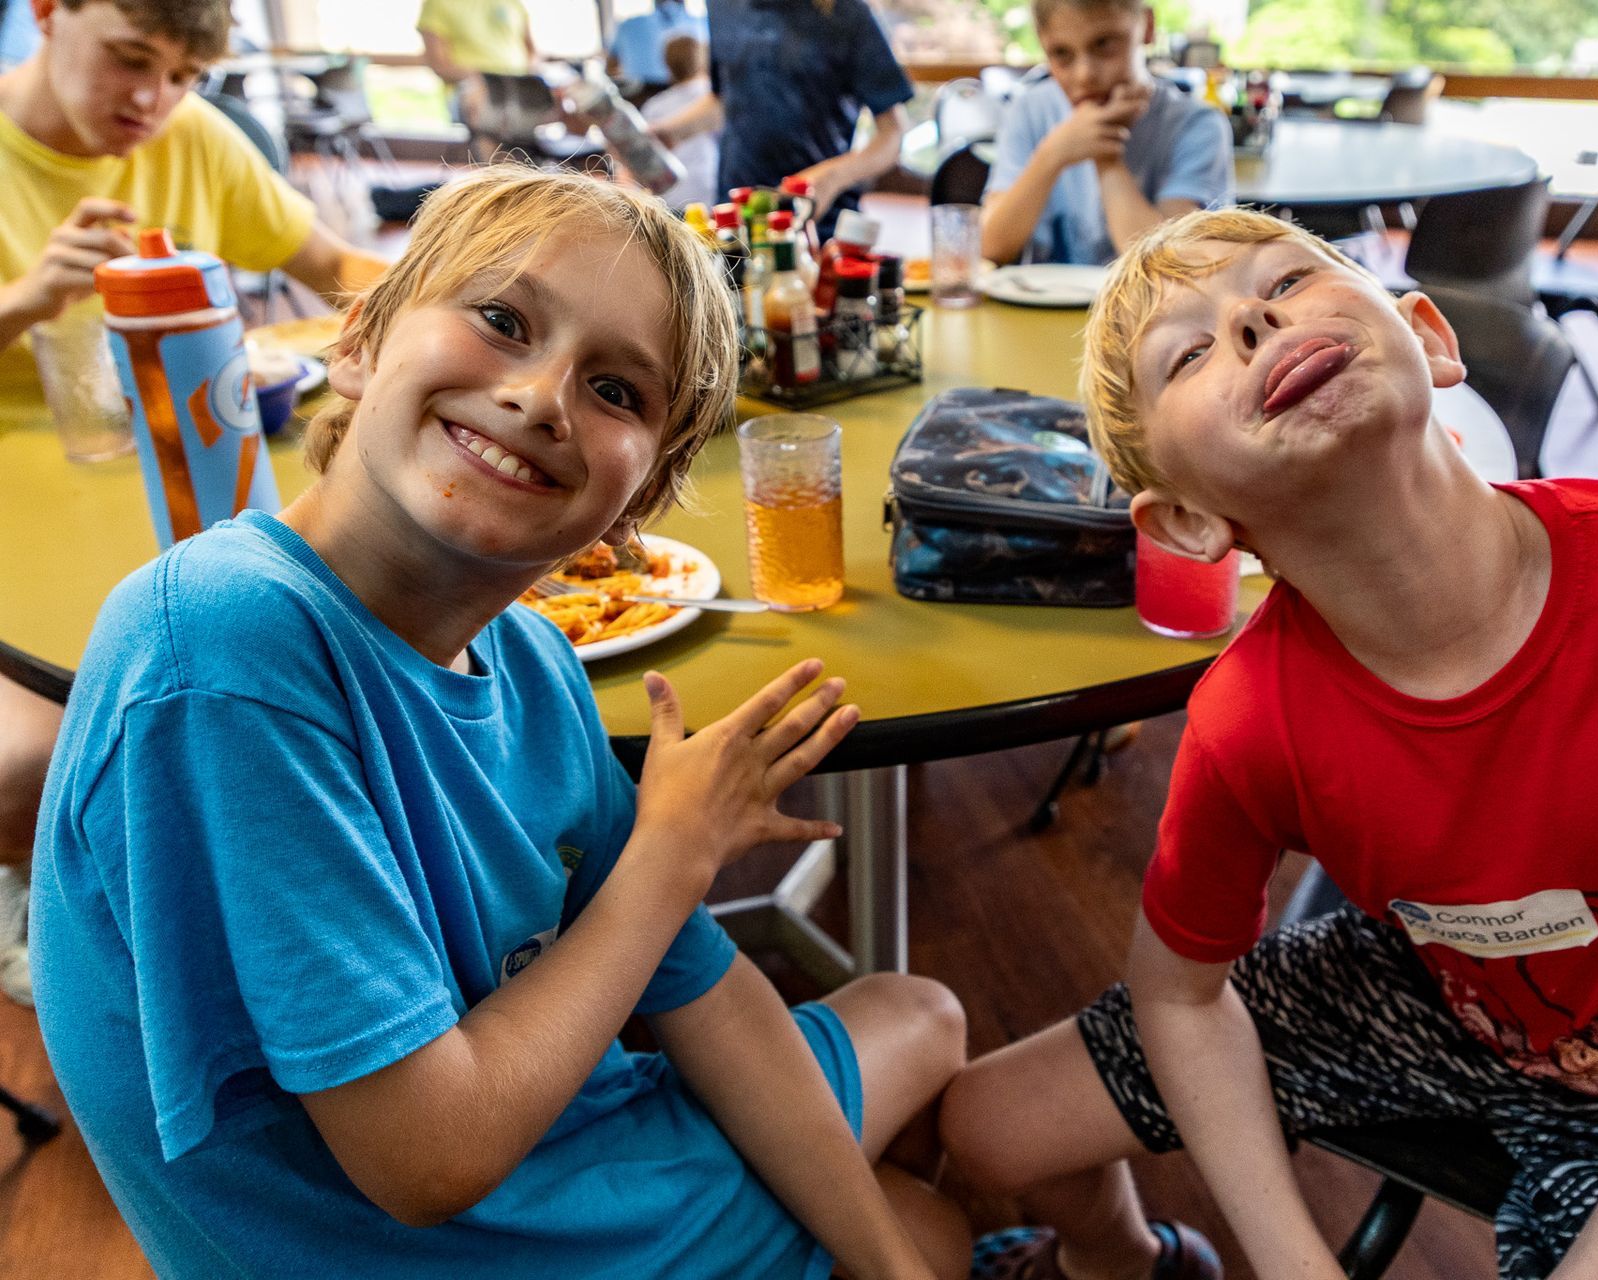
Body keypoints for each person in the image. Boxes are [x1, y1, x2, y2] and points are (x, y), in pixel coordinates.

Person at [31, 166, 972, 1279]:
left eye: (619, 390)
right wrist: (672, 853)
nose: (541, 395)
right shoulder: (225, 648)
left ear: (636, 503)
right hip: (443, 1234)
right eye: (502, 320)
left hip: (564, 1157)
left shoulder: (532, 658)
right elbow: (426, 1160)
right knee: (930, 1210)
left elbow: (699, 986)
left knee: (922, 1029)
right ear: (362, 341)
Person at [939, 206, 1598, 1280]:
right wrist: (1298, 1261)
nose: (1254, 318)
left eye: (1287, 281)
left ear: (1430, 338)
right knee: (985, 1120)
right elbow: (1175, 991)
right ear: (1187, 525)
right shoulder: (1250, 717)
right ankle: (1129, 1258)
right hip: (1442, 991)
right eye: (1192, 351)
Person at [0, 0, 385, 1004]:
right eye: (130, 58)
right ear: (47, 12)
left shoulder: (194, 139)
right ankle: (46, 883)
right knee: (30, 760)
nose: (152, 99)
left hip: (176, 498)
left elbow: (337, 268)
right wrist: (28, 299)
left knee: (319, 671)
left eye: (182, 75)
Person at [980, 0, 1231, 267]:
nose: (1085, 75)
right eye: (1062, 53)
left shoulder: (1198, 125)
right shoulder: (1029, 110)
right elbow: (989, 247)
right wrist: (1052, 154)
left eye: (1104, 44)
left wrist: (1105, 155)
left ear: (1147, 27)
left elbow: (1168, 267)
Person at [647, 0, 913, 237]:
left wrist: (832, 178)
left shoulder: (848, 13)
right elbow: (726, 99)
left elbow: (893, 132)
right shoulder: (721, 6)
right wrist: (669, 133)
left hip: (816, 223)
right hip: (736, 217)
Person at [417, 0, 535, 155]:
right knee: (482, 102)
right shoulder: (438, 3)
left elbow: (532, 52)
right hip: (472, 89)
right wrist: (481, 79)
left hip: (521, 86)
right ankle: (496, 170)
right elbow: (438, 64)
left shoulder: (513, 4)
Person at [640, 35, 718, 213]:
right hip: (710, 192)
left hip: (669, 198)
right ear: (702, 59)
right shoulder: (711, 97)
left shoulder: (653, 106)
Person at [607, 0, 705, 105]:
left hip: (637, 95)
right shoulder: (698, 23)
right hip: (683, 92)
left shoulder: (627, 25)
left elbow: (610, 66)